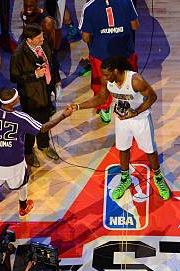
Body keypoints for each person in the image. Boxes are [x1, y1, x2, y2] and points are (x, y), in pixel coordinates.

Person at [70, 56, 171, 201]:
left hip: (139, 119)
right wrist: (78, 106)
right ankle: (125, 179)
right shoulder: (108, 81)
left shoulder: (135, 80)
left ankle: (158, 178)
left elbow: (152, 97)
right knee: (123, 149)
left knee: (150, 150)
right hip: (122, 119)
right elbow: (100, 99)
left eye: (106, 74)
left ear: (116, 71)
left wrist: (136, 112)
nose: (104, 77)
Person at [0, 88, 73, 221]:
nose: (19, 99)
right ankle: (23, 207)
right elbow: (43, 128)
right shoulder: (22, 118)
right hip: (15, 162)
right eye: (17, 97)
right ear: (13, 102)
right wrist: (63, 115)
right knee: (22, 184)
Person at [79, 0, 140, 123]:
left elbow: (85, 37)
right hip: (125, 52)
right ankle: (130, 106)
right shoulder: (127, 1)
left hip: (101, 56)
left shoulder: (89, 7)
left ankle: (104, 108)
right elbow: (135, 26)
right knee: (129, 81)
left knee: (101, 83)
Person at [10, 23, 60, 168]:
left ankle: (44, 145)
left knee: (45, 119)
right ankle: (28, 152)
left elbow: (52, 62)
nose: (43, 39)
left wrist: (56, 81)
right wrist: (34, 75)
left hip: (46, 91)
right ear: (29, 40)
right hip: (31, 97)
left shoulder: (44, 44)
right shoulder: (18, 54)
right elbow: (14, 77)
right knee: (30, 125)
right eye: (39, 37)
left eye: (42, 35)